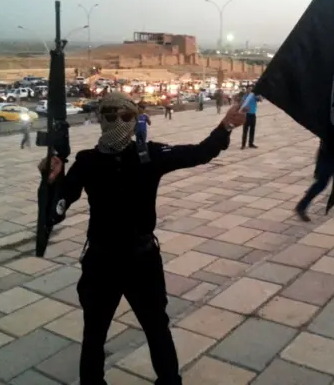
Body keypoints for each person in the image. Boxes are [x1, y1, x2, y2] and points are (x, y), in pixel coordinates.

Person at [38, 92, 247, 385]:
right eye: (108, 116)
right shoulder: (87, 161)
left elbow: (199, 152)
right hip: (102, 262)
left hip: (141, 261)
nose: (115, 123)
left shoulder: (149, 156)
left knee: (156, 327)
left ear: (134, 119)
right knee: (95, 332)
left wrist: (225, 126)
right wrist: (50, 182)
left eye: (123, 117)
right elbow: (57, 210)